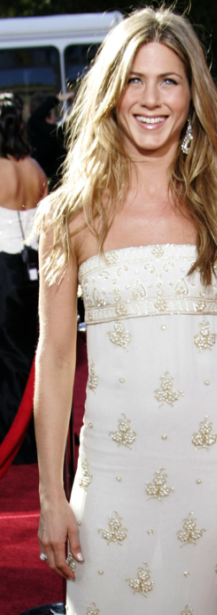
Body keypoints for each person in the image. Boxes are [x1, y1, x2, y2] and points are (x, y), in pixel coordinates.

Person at [32, 9, 217, 615]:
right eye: (135, 80)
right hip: (112, 466)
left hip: (214, 469)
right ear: (111, 93)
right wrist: (51, 496)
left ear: (193, 94)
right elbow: (56, 359)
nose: (151, 99)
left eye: (168, 81)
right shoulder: (68, 213)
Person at [0, 93, 47, 458]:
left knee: (8, 356)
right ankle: (32, 436)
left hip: (4, 271)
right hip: (34, 271)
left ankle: (12, 438)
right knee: (30, 353)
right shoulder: (35, 168)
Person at [25, 91, 68, 192]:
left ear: (28, 109)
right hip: (57, 188)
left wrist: (56, 99)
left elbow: (34, 119)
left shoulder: (27, 132)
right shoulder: (58, 133)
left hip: (34, 185)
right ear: (51, 114)